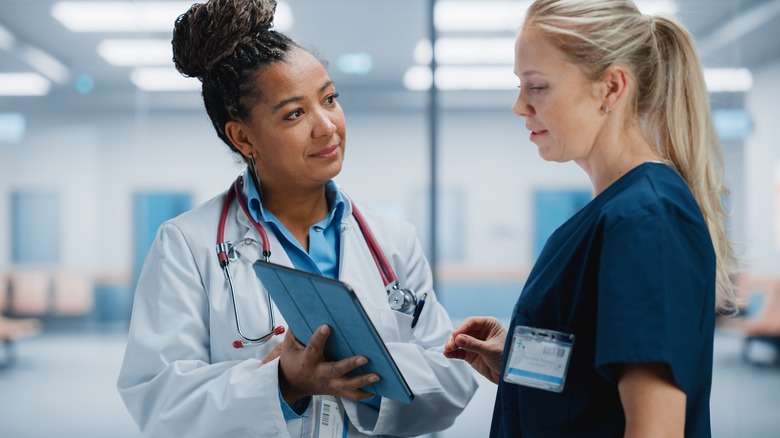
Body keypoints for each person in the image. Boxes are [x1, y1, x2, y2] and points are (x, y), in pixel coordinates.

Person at [116, 1, 477, 436]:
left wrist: (357, 373)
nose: (326, 126)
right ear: (243, 136)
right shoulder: (186, 244)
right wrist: (283, 383)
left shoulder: (393, 241)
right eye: (295, 113)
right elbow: (160, 400)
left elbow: (453, 378)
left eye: (329, 99)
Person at [443, 0, 740, 436]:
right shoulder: (613, 211)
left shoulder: (645, 218)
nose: (519, 105)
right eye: (520, 85)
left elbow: (654, 428)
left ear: (611, 88)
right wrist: (517, 358)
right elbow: (596, 373)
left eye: (537, 86)